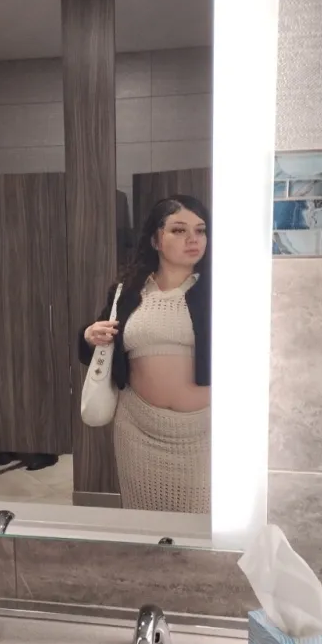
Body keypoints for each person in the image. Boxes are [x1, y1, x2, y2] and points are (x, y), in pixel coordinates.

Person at [79, 195, 211, 514]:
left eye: (200, 230)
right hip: (137, 431)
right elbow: (101, 344)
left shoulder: (222, 292)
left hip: (205, 435)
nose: (193, 239)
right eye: (178, 230)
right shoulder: (127, 292)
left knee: (201, 526)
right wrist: (88, 335)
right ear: (156, 240)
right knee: (143, 522)